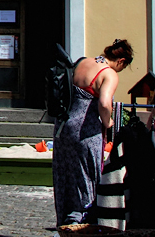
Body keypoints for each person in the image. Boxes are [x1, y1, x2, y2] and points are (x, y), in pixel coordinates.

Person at [52, 38, 134, 225]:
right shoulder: (109, 73)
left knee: (65, 174)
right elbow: (105, 103)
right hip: (85, 130)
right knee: (86, 176)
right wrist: (108, 121)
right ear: (121, 61)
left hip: (63, 126)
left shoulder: (82, 62)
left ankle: (66, 222)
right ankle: (84, 224)